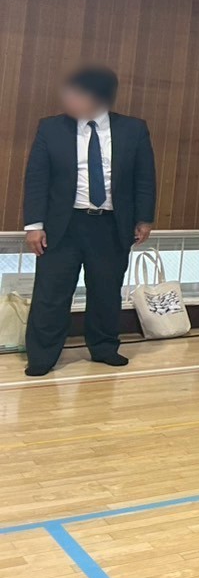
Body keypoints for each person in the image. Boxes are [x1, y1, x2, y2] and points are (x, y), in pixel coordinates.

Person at [22, 66, 156, 377]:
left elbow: (145, 177)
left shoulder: (133, 129)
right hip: (63, 225)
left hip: (111, 225)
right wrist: (34, 225)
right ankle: (42, 355)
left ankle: (104, 347)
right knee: (51, 293)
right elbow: (37, 179)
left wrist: (144, 218)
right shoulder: (51, 128)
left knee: (106, 291)